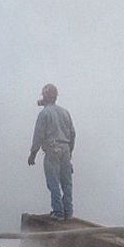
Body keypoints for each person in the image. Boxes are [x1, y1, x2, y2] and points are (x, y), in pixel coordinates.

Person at [28, 84, 76, 220]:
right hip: (65, 148)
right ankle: (68, 212)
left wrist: (33, 154)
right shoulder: (65, 112)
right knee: (66, 182)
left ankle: (58, 213)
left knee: (53, 181)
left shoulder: (44, 113)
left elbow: (39, 135)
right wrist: (69, 153)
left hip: (52, 149)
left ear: (45, 96)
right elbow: (73, 134)